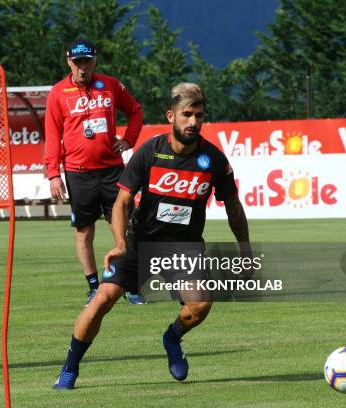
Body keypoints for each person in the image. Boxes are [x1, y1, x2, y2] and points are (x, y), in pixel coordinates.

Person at [52, 82, 251, 389]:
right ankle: (69, 368)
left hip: (182, 248)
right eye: (186, 114)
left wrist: (245, 249)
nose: (193, 122)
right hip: (140, 241)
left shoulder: (213, 160)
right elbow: (122, 202)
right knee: (102, 300)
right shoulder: (150, 152)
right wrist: (119, 241)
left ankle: (172, 338)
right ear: (171, 116)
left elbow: (233, 207)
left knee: (200, 305)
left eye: (199, 115)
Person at [44, 38, 145, 305]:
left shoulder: (110, 85)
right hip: (78, 173)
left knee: (124, 229)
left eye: (87, 62)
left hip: (113, 170)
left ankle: (130, 284)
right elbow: (52, 136)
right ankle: (92, 286)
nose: (82, 68)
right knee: (83, 232)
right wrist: (53, 173)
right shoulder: (57, 93)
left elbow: (135, 111)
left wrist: (128, 140)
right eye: (77, 63)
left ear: (94, 60)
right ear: (69, 62)